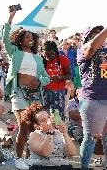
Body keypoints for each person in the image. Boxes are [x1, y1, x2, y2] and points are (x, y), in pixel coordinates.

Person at [3, 8, 50, 158]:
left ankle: (30, 159)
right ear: (20, 39)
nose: (30, 38)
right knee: (24, 126)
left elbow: (47, 78)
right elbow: (5, 38)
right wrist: (11, 17)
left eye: (32, 37)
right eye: (27, 36)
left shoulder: (38, 58)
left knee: (33, 129)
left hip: (35, 95)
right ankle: (18, 158)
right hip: (18, 92)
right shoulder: (15, 53)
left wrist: (39, 81)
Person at [77, 26, 107, 169]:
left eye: (100, 34)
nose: (100, 38)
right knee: (90, 138)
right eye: (95, 35)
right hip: (92, 99)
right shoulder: (82, 50)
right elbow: (91, 47)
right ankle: (84, 167)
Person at [21, 103, 77, 167]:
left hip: (63, 166)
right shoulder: (34, 135)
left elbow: (72, 153)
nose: (49, 121)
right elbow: (45, 153)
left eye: (49, 117)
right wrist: (50, 132)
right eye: (43, 120)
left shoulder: (58, 133)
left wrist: (64, 133)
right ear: (37, 126)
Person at [42, 40, 72, 119]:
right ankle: (46, 131)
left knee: (57, 117)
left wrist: (59, 77)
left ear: (55, 51)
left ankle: (57, 130)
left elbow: (69, 75)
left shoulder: (63, 60)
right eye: (46, 55)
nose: (48, 57)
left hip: (58, 91)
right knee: (44, 115)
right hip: (43, 91)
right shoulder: (41, 60)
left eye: (51, 54)